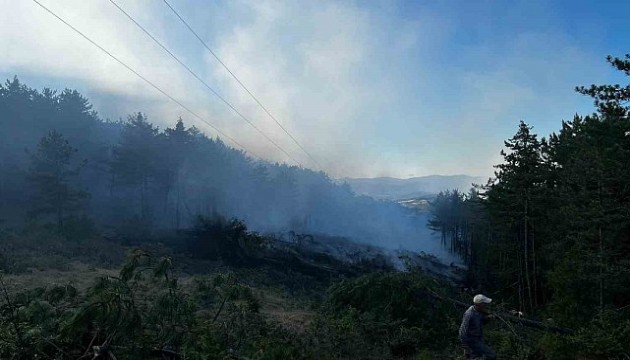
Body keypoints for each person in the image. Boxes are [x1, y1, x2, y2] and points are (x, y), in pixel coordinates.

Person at [459, 294, 496, 359]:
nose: (486, 305)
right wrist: (465, 348)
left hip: (478, 339)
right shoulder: (469, 314)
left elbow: (481, 322)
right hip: (472, 341)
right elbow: (462, 332)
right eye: (484, 304)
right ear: (480, 304)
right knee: (491, 355)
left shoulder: (479, 311)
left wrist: (488, 318)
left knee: (478, 357)